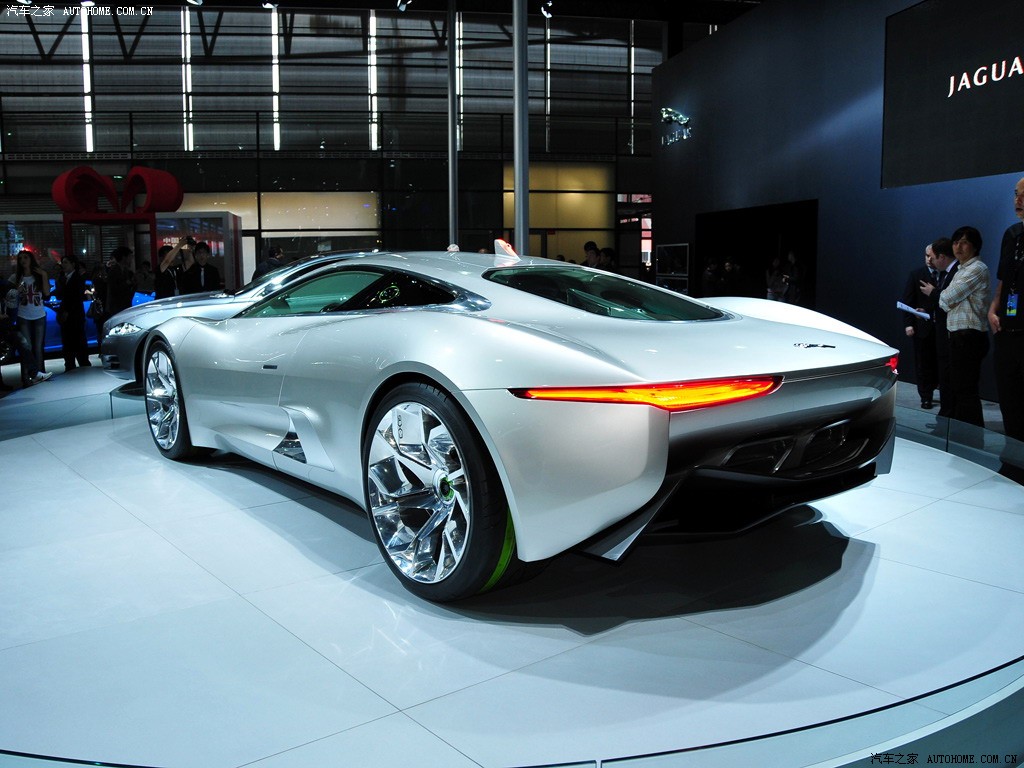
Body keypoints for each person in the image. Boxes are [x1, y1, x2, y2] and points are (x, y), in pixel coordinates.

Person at [939, 226, 990, 428]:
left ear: (975, 246)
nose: (958, 247)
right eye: (955, 242)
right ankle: (962, 435)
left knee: (966, 391)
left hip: (969, 337)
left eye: (964, 242)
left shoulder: (977, 268)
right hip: (958, 336)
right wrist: (945, 297)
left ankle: (973, 438)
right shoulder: (961, 270)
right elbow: (944, 301)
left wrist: (945, 297)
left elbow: (946, 298)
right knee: (959, 390)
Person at [987, 175, 1024, 445]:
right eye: (1016, 193)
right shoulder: (1012, 234)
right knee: (1009, 400)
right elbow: (1004, 278)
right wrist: (993, 308)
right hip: (1007, 331)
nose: (1018, 200)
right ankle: (1012, 459)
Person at [919, 237, 958, 417]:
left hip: (953, 333)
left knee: (951, 379)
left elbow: (948, 299)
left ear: (942, 257)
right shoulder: (944, 273)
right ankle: (946, 414)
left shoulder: (958, 272)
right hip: (941, 332)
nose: (931, 262)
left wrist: (933, 292)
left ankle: (949, 416)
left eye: (933, 257)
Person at [901, 244, 941, 408]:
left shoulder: (946, 275)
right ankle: (926, 396)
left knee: (939, 363)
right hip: (922, 328)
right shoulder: (917, 275)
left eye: (932, 256)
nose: (929, 259)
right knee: (923, 363)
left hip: (942, 327)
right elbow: (907, 301)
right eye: (926, 256)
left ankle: (938, 390)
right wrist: (908, 324)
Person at [11, 249, 50, 380]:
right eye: (20, 258)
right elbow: (10, 297)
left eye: (25, 258)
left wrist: (44, 275)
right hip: (23, 315)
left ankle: (41, 373)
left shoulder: (39, 275)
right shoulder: (16, 277)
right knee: (27, 347)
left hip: (39, 314)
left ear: (31, 259)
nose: (23, 260)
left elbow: (47, 293)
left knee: (38, 347)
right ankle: (27, 376)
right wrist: (16, 291)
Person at [55, 255, 91, 370]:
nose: (63, 265)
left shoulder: (78, 278)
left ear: (73, 264)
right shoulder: (63, 278)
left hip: (75, 315)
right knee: (67, 342)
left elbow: (75, 297)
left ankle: (83, 364)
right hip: (66, 316)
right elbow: (60, 295)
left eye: (66, 262)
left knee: (79, 341)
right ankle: (70, 365)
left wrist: (67, 311)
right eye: (63, 263)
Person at [104, 246, 136, 317]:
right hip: (117, 307)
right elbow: (114, 290)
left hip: (125, 305)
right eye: (130, 257)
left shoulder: (126, 271)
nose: (131, 259)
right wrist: (127, 283)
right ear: (124, 257)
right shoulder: (114, 271)